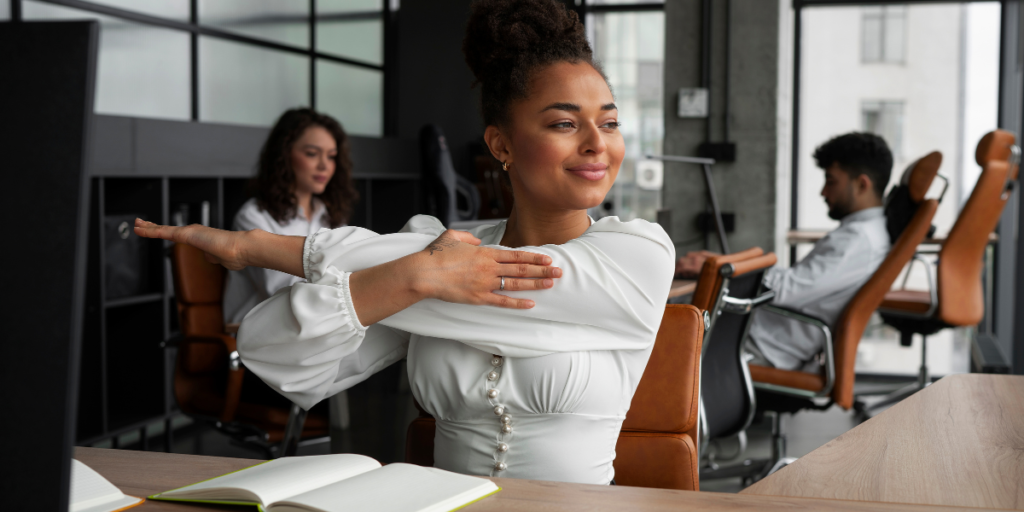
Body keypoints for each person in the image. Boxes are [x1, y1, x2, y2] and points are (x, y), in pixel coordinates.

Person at [135, 0, 674, 486]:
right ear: (501, 143)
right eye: (564, 123)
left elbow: (506, 276)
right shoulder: (431, 252)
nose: (597, 145)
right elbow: (267, 347)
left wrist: (259, 247)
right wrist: (410, 276)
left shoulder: (637, 255)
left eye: (610, 123)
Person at [678, 132, 892, 371]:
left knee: (662, 327)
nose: (823, 192)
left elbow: (787, 289)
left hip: (760, 345)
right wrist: (721, 264)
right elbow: (799, 285)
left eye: (831, 181)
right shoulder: (870, 232)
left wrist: (721, 267)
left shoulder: (858, 240)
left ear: (862, 184)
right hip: (762, 335)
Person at [223, 108, 359, 325]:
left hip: (317, 323)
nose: (324, 165)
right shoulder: (253, 217)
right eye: (312, 154)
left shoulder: (329, 215)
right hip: (264, 332)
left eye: (331, 156)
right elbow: (283, 290)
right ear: (285, 156)